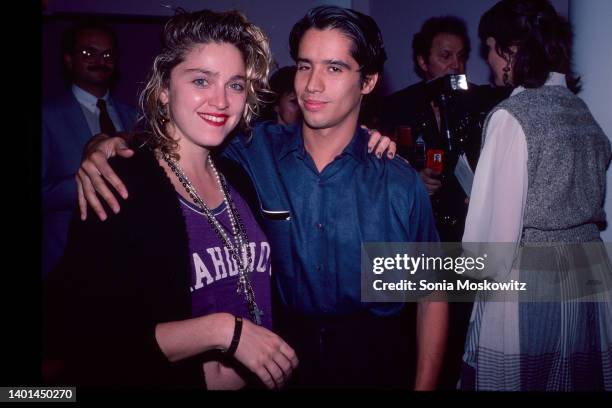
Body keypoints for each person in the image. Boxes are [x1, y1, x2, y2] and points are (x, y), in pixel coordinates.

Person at [74, 6, 448, 390]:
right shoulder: (252, 151)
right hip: (281, 360)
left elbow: (433, 294)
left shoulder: (397, 180)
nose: (312, 85)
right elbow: (179, 135)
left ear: (368, 82)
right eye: (305, 66)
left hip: (376, 361)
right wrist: (105, 144)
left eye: (334, 68)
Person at [43, 9, 299, 389]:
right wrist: (222, 331)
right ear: (164, 88)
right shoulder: (121, 184)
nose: (221, 101)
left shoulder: (237, 174)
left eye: (235, 85)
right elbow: (89, 340)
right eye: (200, 80)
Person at [461, 0, 612, 391]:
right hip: (591, 274)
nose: (489, 62)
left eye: (490, 49)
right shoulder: (580, 110)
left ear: (510, 51)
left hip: (530, 278)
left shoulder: (513, 116)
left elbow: (489, 253)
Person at [380, 16, 510, 242]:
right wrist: (412, 180)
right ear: (423, 61)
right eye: (445, 56)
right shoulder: (397, 106)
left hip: (470, 230)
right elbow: (379, 171)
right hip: (419, 229)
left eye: (461, 57)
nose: (455, 65)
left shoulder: (481, 102)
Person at [42, 21, 138, 277]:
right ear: (68, 60)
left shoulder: (134, 117)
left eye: (108, 55)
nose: (100, 60)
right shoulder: (47, 116)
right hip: (64, 256)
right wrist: (92, 182)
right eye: (88, 53)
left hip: (125, 258)